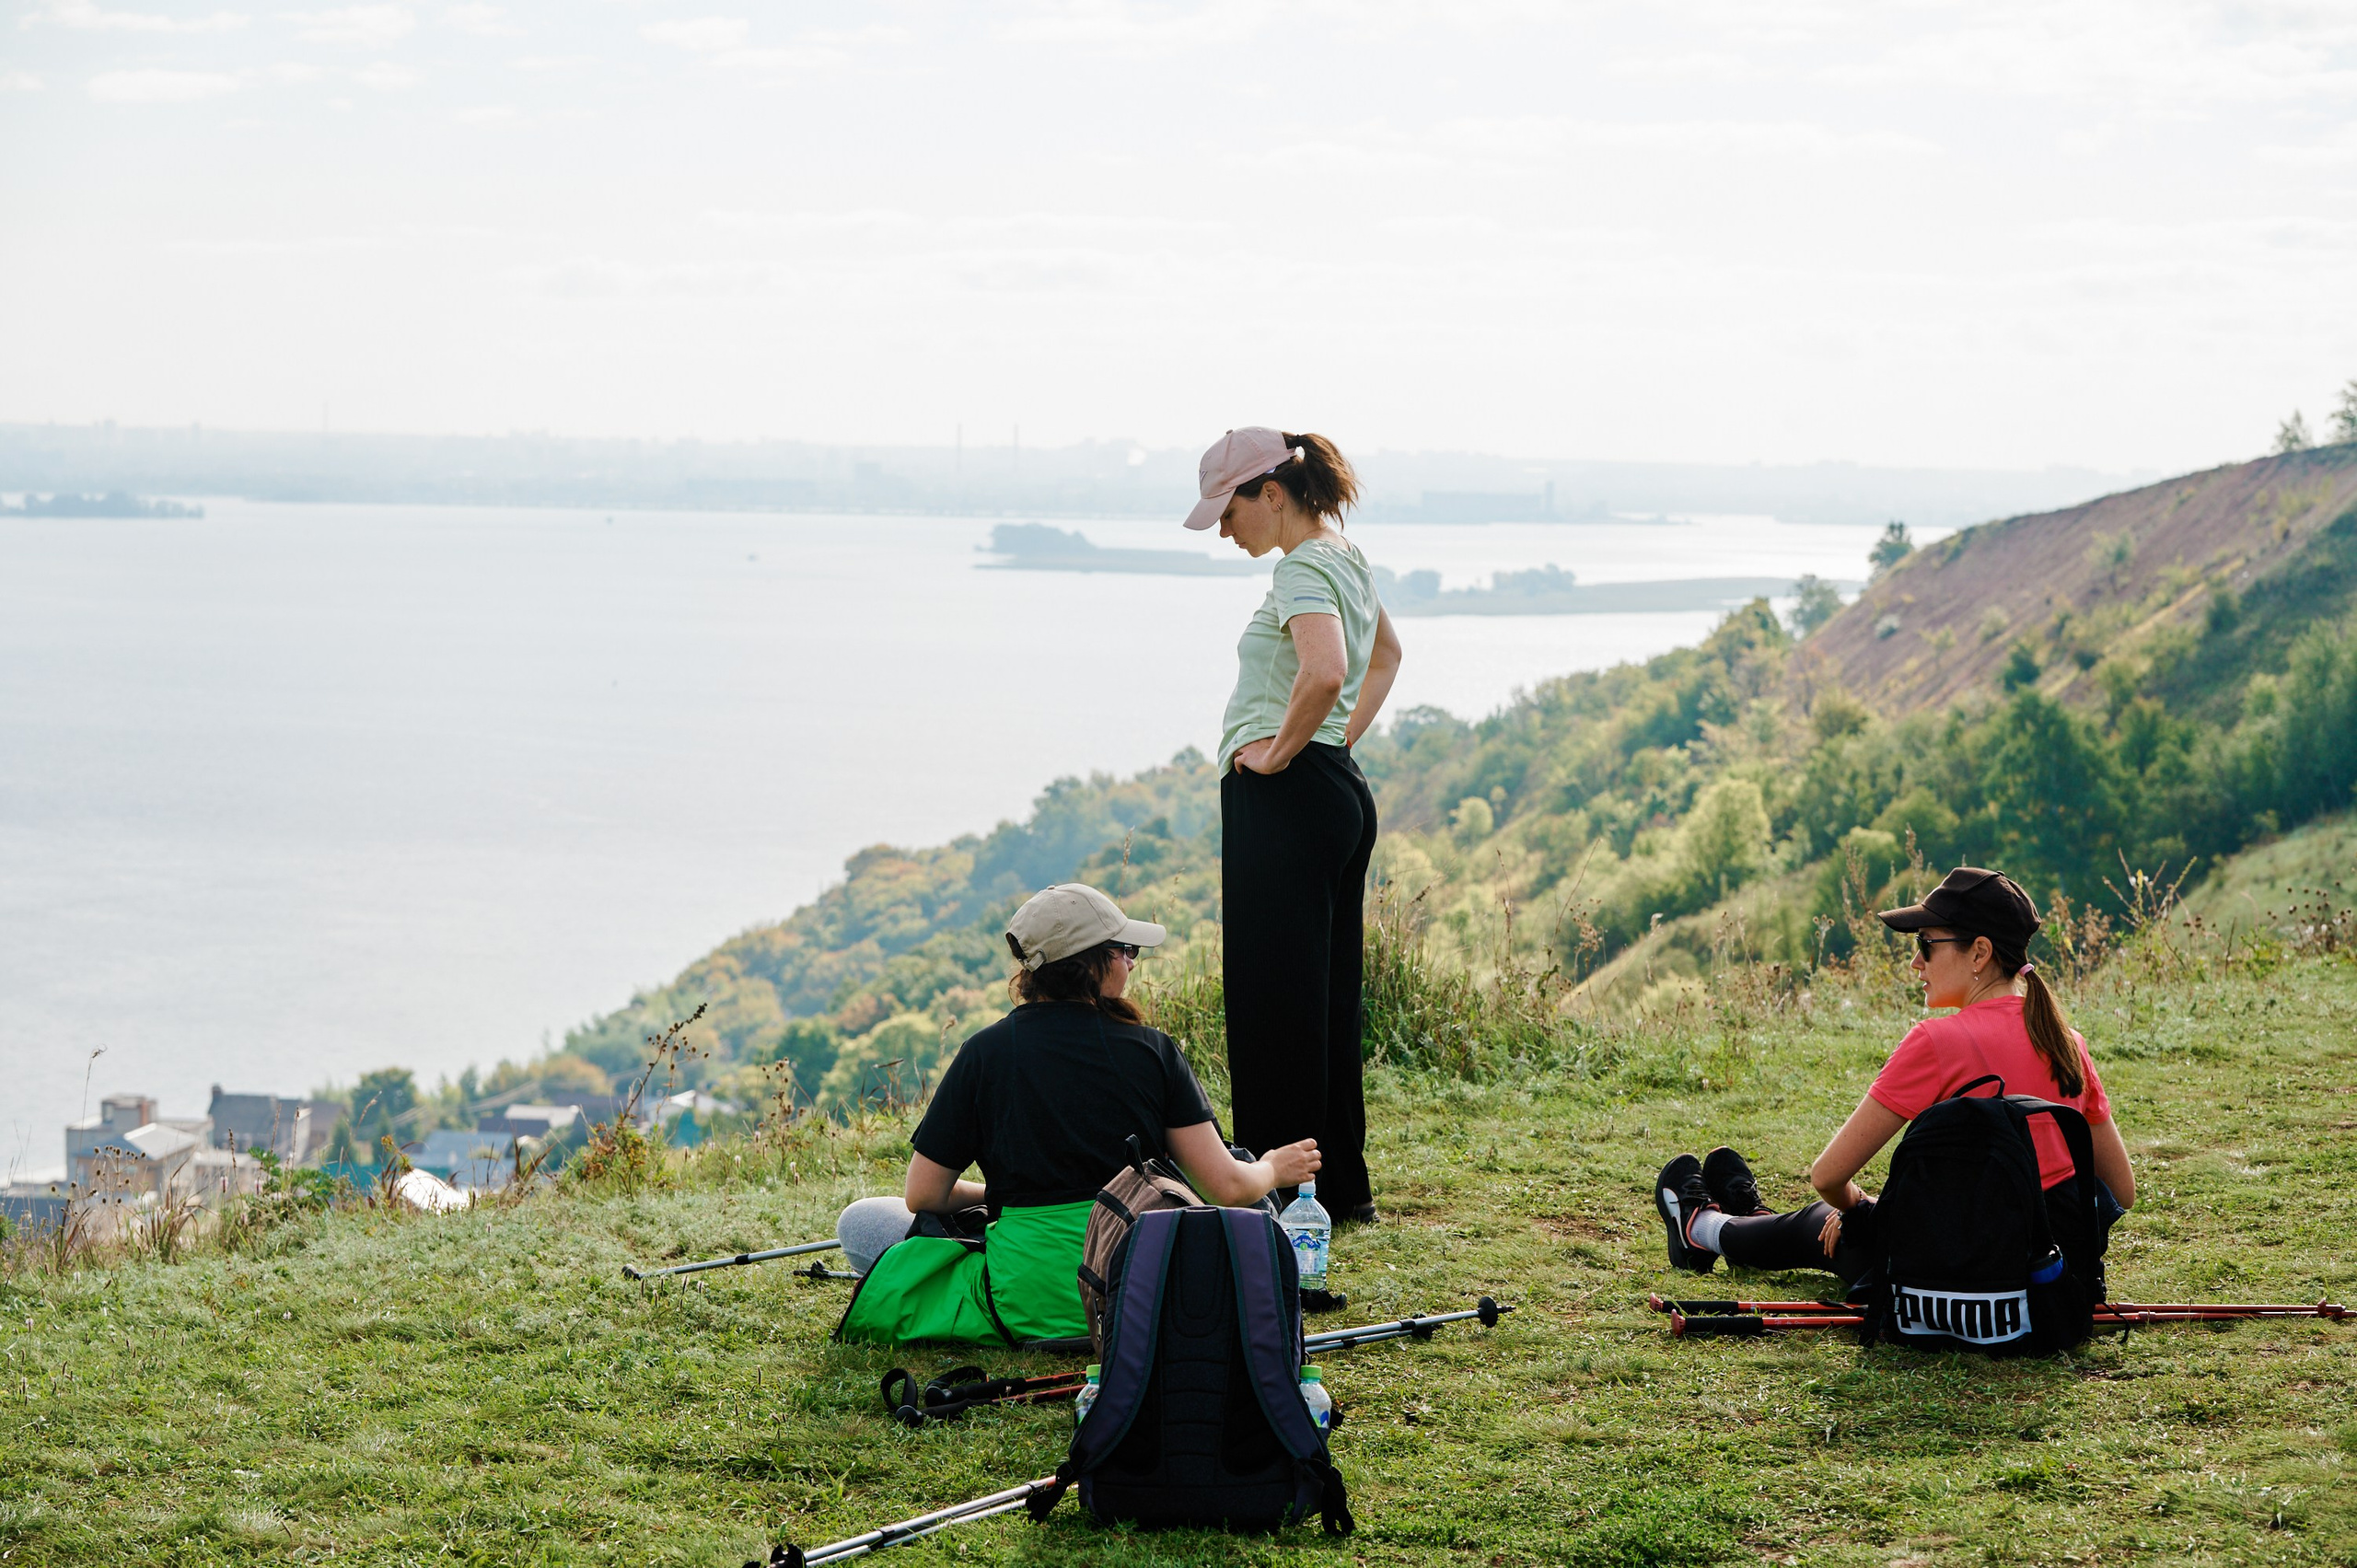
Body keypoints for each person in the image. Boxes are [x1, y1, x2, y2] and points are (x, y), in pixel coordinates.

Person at [834, 882, 1320, 1346]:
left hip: (1021, 1301)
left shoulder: (982, 1053)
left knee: (860, 1222)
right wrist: (1273, 1168)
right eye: (1125, 951)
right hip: (1141, 1291)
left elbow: (922, 1195)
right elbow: (1228, 1188)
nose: (1132, 962)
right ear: (1092, 964)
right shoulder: (1153, 1051)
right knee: (1247, 1190)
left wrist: (1005, 1196)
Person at [1655, 866, 2136, 1281]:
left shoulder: (1937, 1042)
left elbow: (1827, 1176)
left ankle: (1699, 1229)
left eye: (1927, 944)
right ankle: (1749, 1219)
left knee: (1825, 1222)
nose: (1915, 961)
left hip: (1951, 1269)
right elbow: (2122, 1191)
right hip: (2046, 1274)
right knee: (1846, 1219)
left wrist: (1864, 1208)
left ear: (1980, 952)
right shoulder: (2069, 1043)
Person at [1187, 427, 1402, 1225]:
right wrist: (1331, 746)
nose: (1222, 528)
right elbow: (1387, 658)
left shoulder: (1306, 566)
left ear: (1270, 493)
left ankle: (1274, 1196)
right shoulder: (1346, 557)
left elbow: (1328, 669)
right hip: (1333, 791)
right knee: (1324, 1001)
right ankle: (1338, 1189)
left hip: (1286, 798)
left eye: (1228, 509)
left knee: (1271, 1001)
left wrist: (1281, 754)